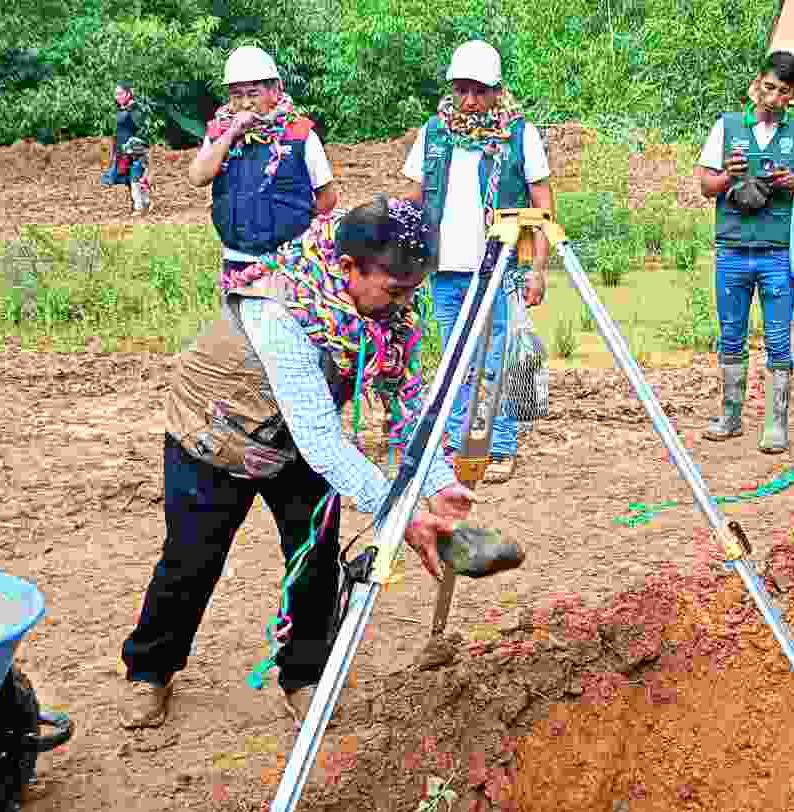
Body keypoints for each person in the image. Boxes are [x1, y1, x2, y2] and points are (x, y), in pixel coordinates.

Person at [120, 197, 475, 730]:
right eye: (394, 290)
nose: (404, 303)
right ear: (348, 267)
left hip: (294, 442)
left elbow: (405, 402)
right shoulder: (281, 310)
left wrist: (440, 480)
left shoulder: (386, 314)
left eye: (412, 290)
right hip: (214, 435)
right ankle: (151, 670)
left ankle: (302, 676)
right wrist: (398, 514)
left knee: (316, 558)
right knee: (192, 560)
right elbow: (323, 442)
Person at [400, 39, 555, 485]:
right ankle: (458, 443)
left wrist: (537, 269)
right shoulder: (433, 133)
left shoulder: (520, 135)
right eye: (462, 90)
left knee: (498, 359)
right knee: (454, 358)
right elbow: (412, 200)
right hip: (445, 268)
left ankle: (501, 446)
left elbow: (543, 207)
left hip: (500, 267)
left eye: (479, 91)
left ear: (497, 90)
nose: (469, 101)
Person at [693, 50, 794, 453]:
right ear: (758, 83)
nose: (773, 99)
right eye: (768, 88)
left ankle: (776, 422)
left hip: (777, 252)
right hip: (732, 248)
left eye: (783, 93)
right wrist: (728, 177)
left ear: (793, 95)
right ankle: (731, 416)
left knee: (777, 337)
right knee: (731, 335)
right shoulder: (728, 126)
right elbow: (706, 186)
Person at [190, 46, 338, 280]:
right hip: (236, 259)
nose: (246, 103)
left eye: (253, 93)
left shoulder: (300, 134)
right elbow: (198, 177)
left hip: (289, 262)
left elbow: (328, 198)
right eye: (237, 95)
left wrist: (295, 234)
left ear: (275, 91)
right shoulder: (219, 133)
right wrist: (232, 133)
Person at [101, 82, 151, 213]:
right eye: (116, 94)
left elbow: (143, 130)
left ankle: (140, 207)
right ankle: (143, 203)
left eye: (120, 93)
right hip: (121, 151)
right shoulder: (122, 110)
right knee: (127, 178)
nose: (117, 96)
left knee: (135, 177)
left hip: (134, 150)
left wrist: (133, 145)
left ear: (129, 93)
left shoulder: (135, 110)